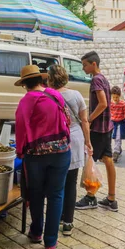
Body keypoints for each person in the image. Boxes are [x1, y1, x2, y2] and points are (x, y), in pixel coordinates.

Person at [15, 65, 71, 249]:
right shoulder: (56, 95)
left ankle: (36, 232)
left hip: (36, 156)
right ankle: (50, 243)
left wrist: (20, 152)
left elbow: (21, 130)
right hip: (62, 152)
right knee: (56, 195)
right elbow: (67, 121)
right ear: (41, 80)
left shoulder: (26, 102)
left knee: (36, 193)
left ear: (25, 85)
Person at [47, 65, 92, 237]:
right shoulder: (76, 95)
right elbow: (85, 121)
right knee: (71, 182)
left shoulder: (47, 96)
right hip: (75, 139)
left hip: (57, 140)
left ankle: (57, 217)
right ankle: (68, 222)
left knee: (57, 182)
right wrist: (88, 142)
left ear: (50, 79)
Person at [75, 51, 118, 212]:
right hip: (107, 127)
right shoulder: (104, 79)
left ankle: (91, 197)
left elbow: (103, 103)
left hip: (99, 128)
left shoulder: (96, 80)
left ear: (94, 64)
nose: (83, 68)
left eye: (85, 64)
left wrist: (89, 119)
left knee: (90, 162)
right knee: (108, 160)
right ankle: (111, 199)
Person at [111, 86, 125, 163]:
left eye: (117, 97)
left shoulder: (123, 104)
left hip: (120, 123)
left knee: (118, 137)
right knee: (114, 137)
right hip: (112, 122)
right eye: (114, 97)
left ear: (119, 96)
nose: (115, 99)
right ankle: (118, 148)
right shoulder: (110, 103)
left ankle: (116, 153)